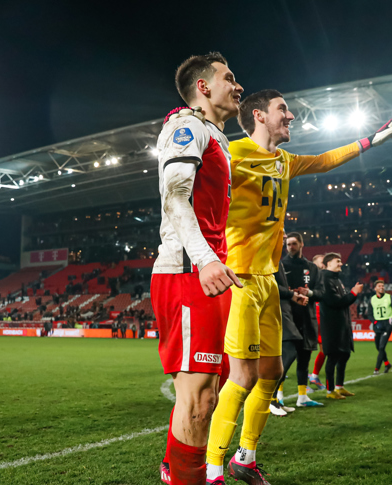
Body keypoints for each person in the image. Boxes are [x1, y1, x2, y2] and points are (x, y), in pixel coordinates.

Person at [206, 89, 392, 484]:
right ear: (260, 116)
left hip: (268, 280)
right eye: (283, 109)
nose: (292, 115)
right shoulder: (231, 152)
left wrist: (372, 139)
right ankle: (212, 471)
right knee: (242, 377)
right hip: (241, 278)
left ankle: (244, 457)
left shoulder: (284, 160)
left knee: (272, 371)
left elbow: (327, 160)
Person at [151, 52, 244, 485]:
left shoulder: (215, 136)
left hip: (209, 274)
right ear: (203, 87)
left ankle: (177, 471)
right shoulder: (185, 125)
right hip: (189, 273)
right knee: (199, 399)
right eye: (229, 78)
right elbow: (175, 197)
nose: (238, 85)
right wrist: (206, 259)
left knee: (213, 393)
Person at [279, 233, 323, 408]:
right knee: (285, 358)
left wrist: (309, 293)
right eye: (288, 244)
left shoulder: (312, 268)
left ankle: (302, 396)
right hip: (288, 318)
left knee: (304, 359)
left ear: (301, 244)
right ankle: (279, 394)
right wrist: (292, 294)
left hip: (307, 318)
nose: (290, 247)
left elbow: (321, 293)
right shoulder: (281, 265)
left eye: (294, 244)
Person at [269, 250, 309, 417]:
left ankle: (274, 399)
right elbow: (270, 285)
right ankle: (269, 399)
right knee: (289, 352)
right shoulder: (268, 258)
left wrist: (292, 296)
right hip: (275, 312)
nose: (283, 237)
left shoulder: (277, 260)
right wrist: (292, 294)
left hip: (284, 311)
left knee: (286, 353)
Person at [319, 253, 362, 399]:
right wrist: (354, 293)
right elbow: (335, 302)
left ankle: (339, 386)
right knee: (333, 357)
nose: (341, 263)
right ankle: (330, 391)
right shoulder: (325, 279)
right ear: (328, 263)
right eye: (338, 261)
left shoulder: (336, 280)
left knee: (344, 354)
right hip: (332, 326)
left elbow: (342, 301)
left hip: (342, 325)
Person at [370, 279, 392, 374]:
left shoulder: (389, 297)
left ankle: (376, 369)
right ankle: (387, 363)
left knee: (382, 347)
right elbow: (369, 314)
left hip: (387, 324)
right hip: (378, 325)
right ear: (375, 288)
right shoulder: (372, 299)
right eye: (379, 286)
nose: (381, 287)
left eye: (382, 286)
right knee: (378, 347)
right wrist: (374, 322)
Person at [308, 254, 327, 390]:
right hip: (311, 316)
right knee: (305, 350)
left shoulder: (326, 278)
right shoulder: (310, 278)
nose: (324, 264)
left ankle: (314, 375)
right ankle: (303, 381)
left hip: (323, 317)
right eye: (322, 262)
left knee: (325, 349)